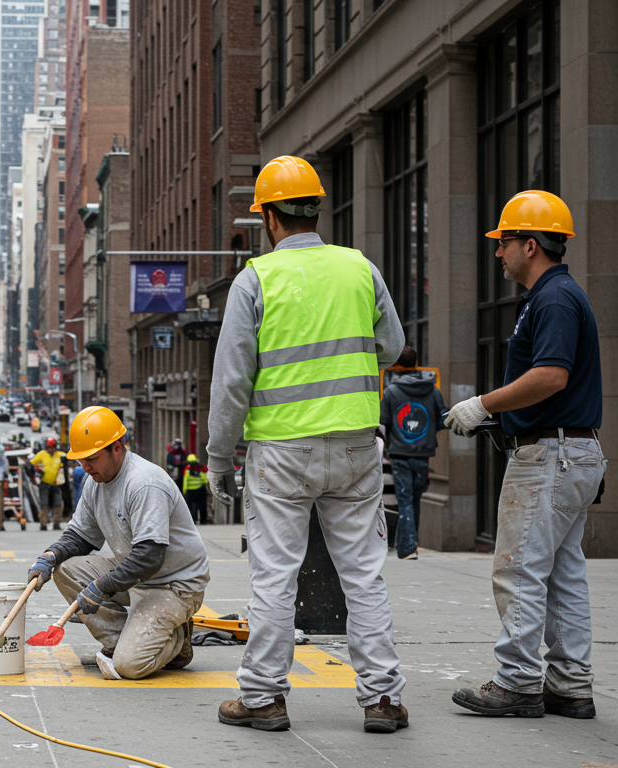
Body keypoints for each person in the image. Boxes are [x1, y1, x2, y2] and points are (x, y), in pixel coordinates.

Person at [205, 156, 408, 733]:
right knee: (363, 575)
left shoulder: (255, 280)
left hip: (281, 453)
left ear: (269, 217)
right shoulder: (359, 268)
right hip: (355, 447)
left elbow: (232, 381)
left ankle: (263, 697)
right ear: (316, 209)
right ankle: (382, 699)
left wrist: (219, 459)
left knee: (275, 576)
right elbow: (392, 346)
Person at [444, 191, 604, 720]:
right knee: (563, 575)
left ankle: (516, 682)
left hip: (549, 455)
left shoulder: (552, 299)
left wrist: (482, 404)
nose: (498, 252)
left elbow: (551, 376)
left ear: (530, 245)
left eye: (504, 241)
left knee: (519, 571)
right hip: (572, 449)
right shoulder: (561, 295)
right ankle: (570, 684)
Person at [26, 407, 209, 681]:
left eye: (92, 459)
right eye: (81, 460)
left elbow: (149, 555)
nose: (86, 467)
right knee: (65, 569)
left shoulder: (144, 483)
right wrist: (50, 556)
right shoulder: (95, 481)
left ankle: (175, 640)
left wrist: (102, 586)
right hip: (137, 575)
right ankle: (121, 641)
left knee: (129, 667)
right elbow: (81, 536)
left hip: (173, 584)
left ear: (117, 448)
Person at [379, 346, 447, 560]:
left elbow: (383, 423)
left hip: (399, 453)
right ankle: (409, 544)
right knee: (415, 499)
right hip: (423, 454)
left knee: (405, 499)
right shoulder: (433, 390)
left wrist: (386, 447)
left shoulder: (391, 391)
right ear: (416, 364)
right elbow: (443, 419)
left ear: (396, 366)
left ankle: (408, 547)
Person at [32, 438, 66, 531]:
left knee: (57, 503)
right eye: (49, 447)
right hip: (44, 483)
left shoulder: (60, 455)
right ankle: (43, 523)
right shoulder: (41, 454)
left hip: (56, 484)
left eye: (53, 447)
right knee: (44, 504)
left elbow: (68, 460)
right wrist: (37, 470)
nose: (51, 449)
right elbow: (32, 464)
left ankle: (56, 523)